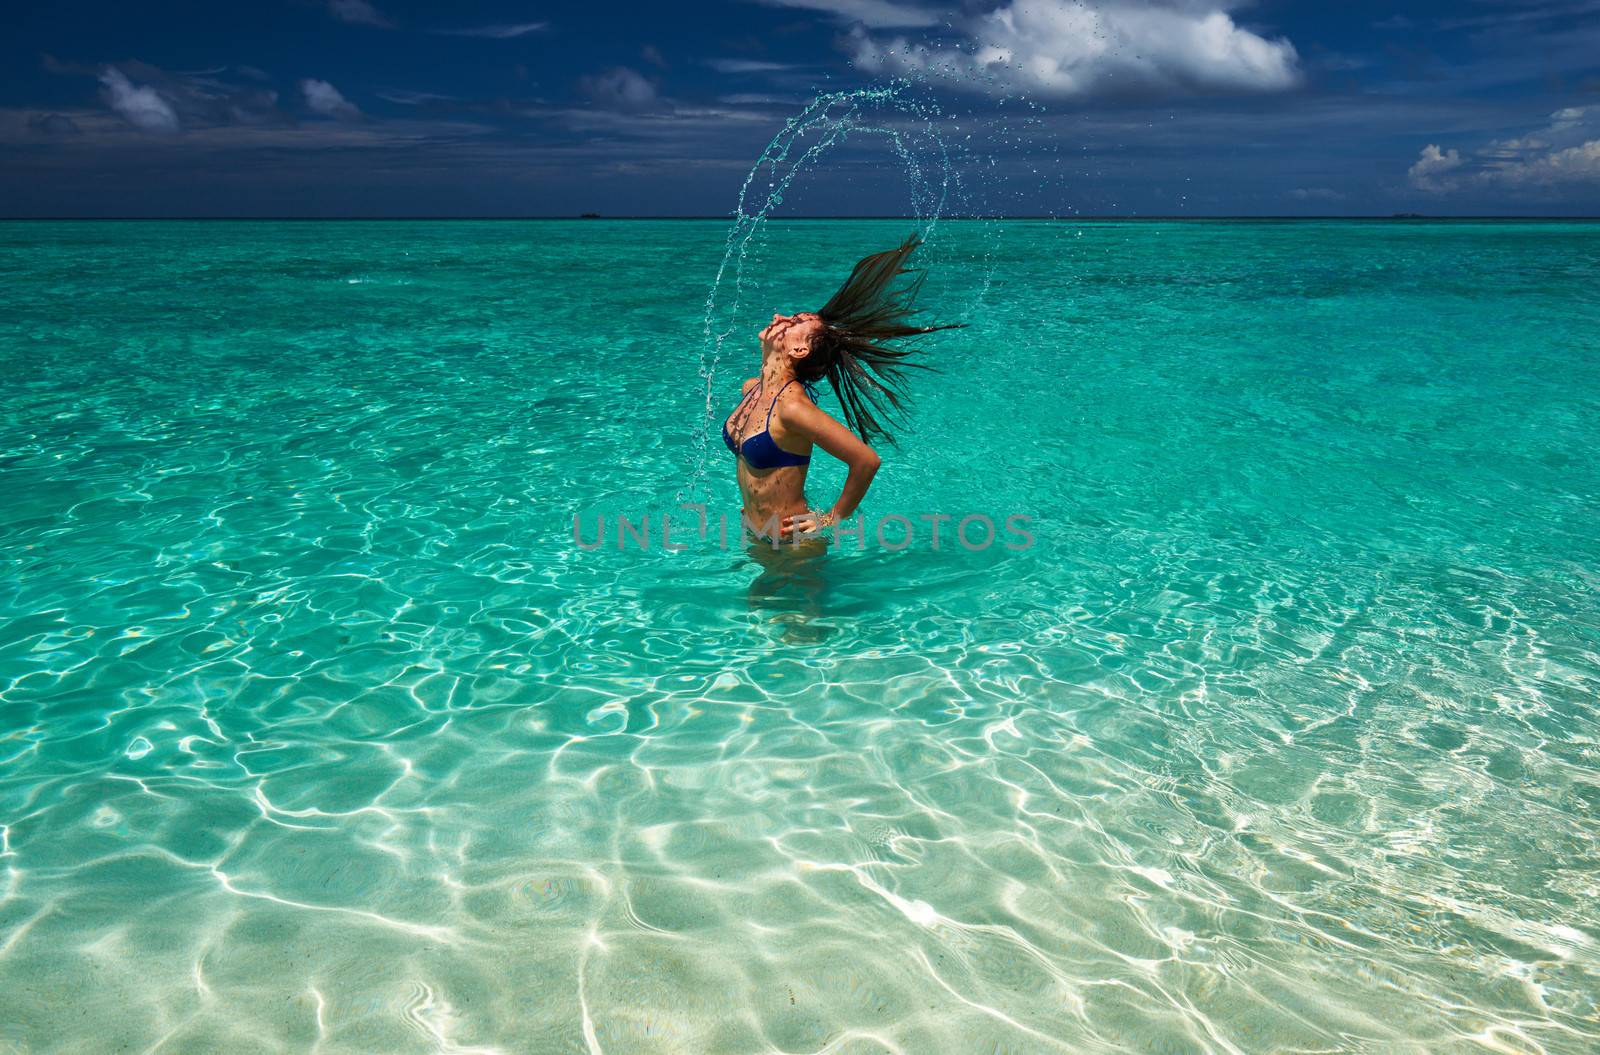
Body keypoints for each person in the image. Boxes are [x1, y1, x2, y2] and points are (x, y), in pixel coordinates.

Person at [721, 234, 962, 548]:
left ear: (798, 350)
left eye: (793, 321)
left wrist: (830, 519)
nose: (780, 318)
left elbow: (866, 461)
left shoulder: (792, 408)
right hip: (757, 537)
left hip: (794, 547)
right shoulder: (752, 390)